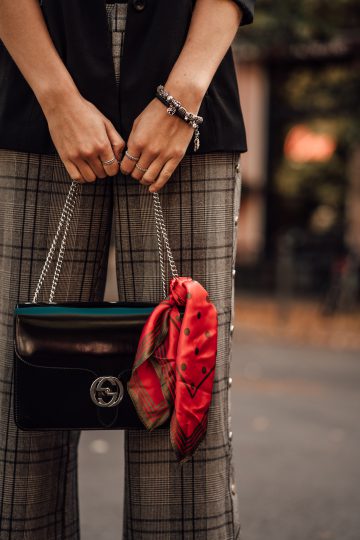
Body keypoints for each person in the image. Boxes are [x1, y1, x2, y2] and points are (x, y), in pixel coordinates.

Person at [0, 0, 255, 538]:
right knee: (17, 416)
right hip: (30, 98)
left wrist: (183, 98)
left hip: (191, 117)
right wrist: (56, 99)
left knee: (185, 411)